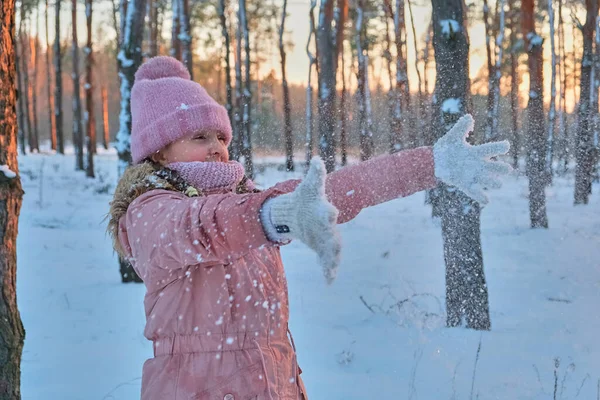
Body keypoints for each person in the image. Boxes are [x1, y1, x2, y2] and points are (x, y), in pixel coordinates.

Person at [107, 56, 511, 400]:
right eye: (199, 136)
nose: (216, 146)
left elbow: (337, 190)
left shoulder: (249, 199)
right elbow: (201, 227)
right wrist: (268, 217)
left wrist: (428, 166)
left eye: (221, 135)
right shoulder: (150, 212)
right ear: (159, 148)